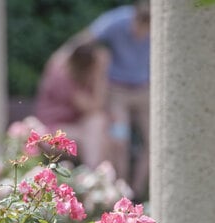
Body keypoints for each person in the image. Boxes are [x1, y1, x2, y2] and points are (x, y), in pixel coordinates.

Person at [87, 1, 150, 198]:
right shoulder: (117, 20)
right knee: (119, 139)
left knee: (154, 141)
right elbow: (87, 38)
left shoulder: (159, 29)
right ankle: (121, 191)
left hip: (144, 90)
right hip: (118, 91)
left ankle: (137, 191)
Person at [34, 41, 110, 169]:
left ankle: (98, 180)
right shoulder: (62, 76)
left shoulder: (77, 75)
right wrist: (99, 76)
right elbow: (94, 107)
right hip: (49, 131)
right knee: (96, 137)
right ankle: (94, 179)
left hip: (73, 128)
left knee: (100, 126)